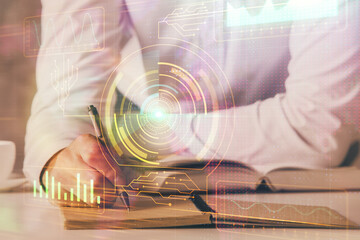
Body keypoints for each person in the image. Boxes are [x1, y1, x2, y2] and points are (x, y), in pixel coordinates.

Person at [24, 0, 360, 205]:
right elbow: (65, 99)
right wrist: (59, 157)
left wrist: (148, 135)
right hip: (147, 186)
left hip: (308, 187)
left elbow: (316, 126)